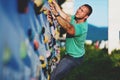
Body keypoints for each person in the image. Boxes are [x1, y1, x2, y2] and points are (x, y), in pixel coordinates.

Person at [48, 0, 93, 80]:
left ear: (86, 16)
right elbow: (65, 16)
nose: (78, 11)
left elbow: (69, 29)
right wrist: (55, 3)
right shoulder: (75, 18)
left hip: (74, 58)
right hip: (69, 54)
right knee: (55, 73)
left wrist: (56, 15)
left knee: (54, 77)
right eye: (79, 8)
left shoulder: (82, 28)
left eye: (82, 11)